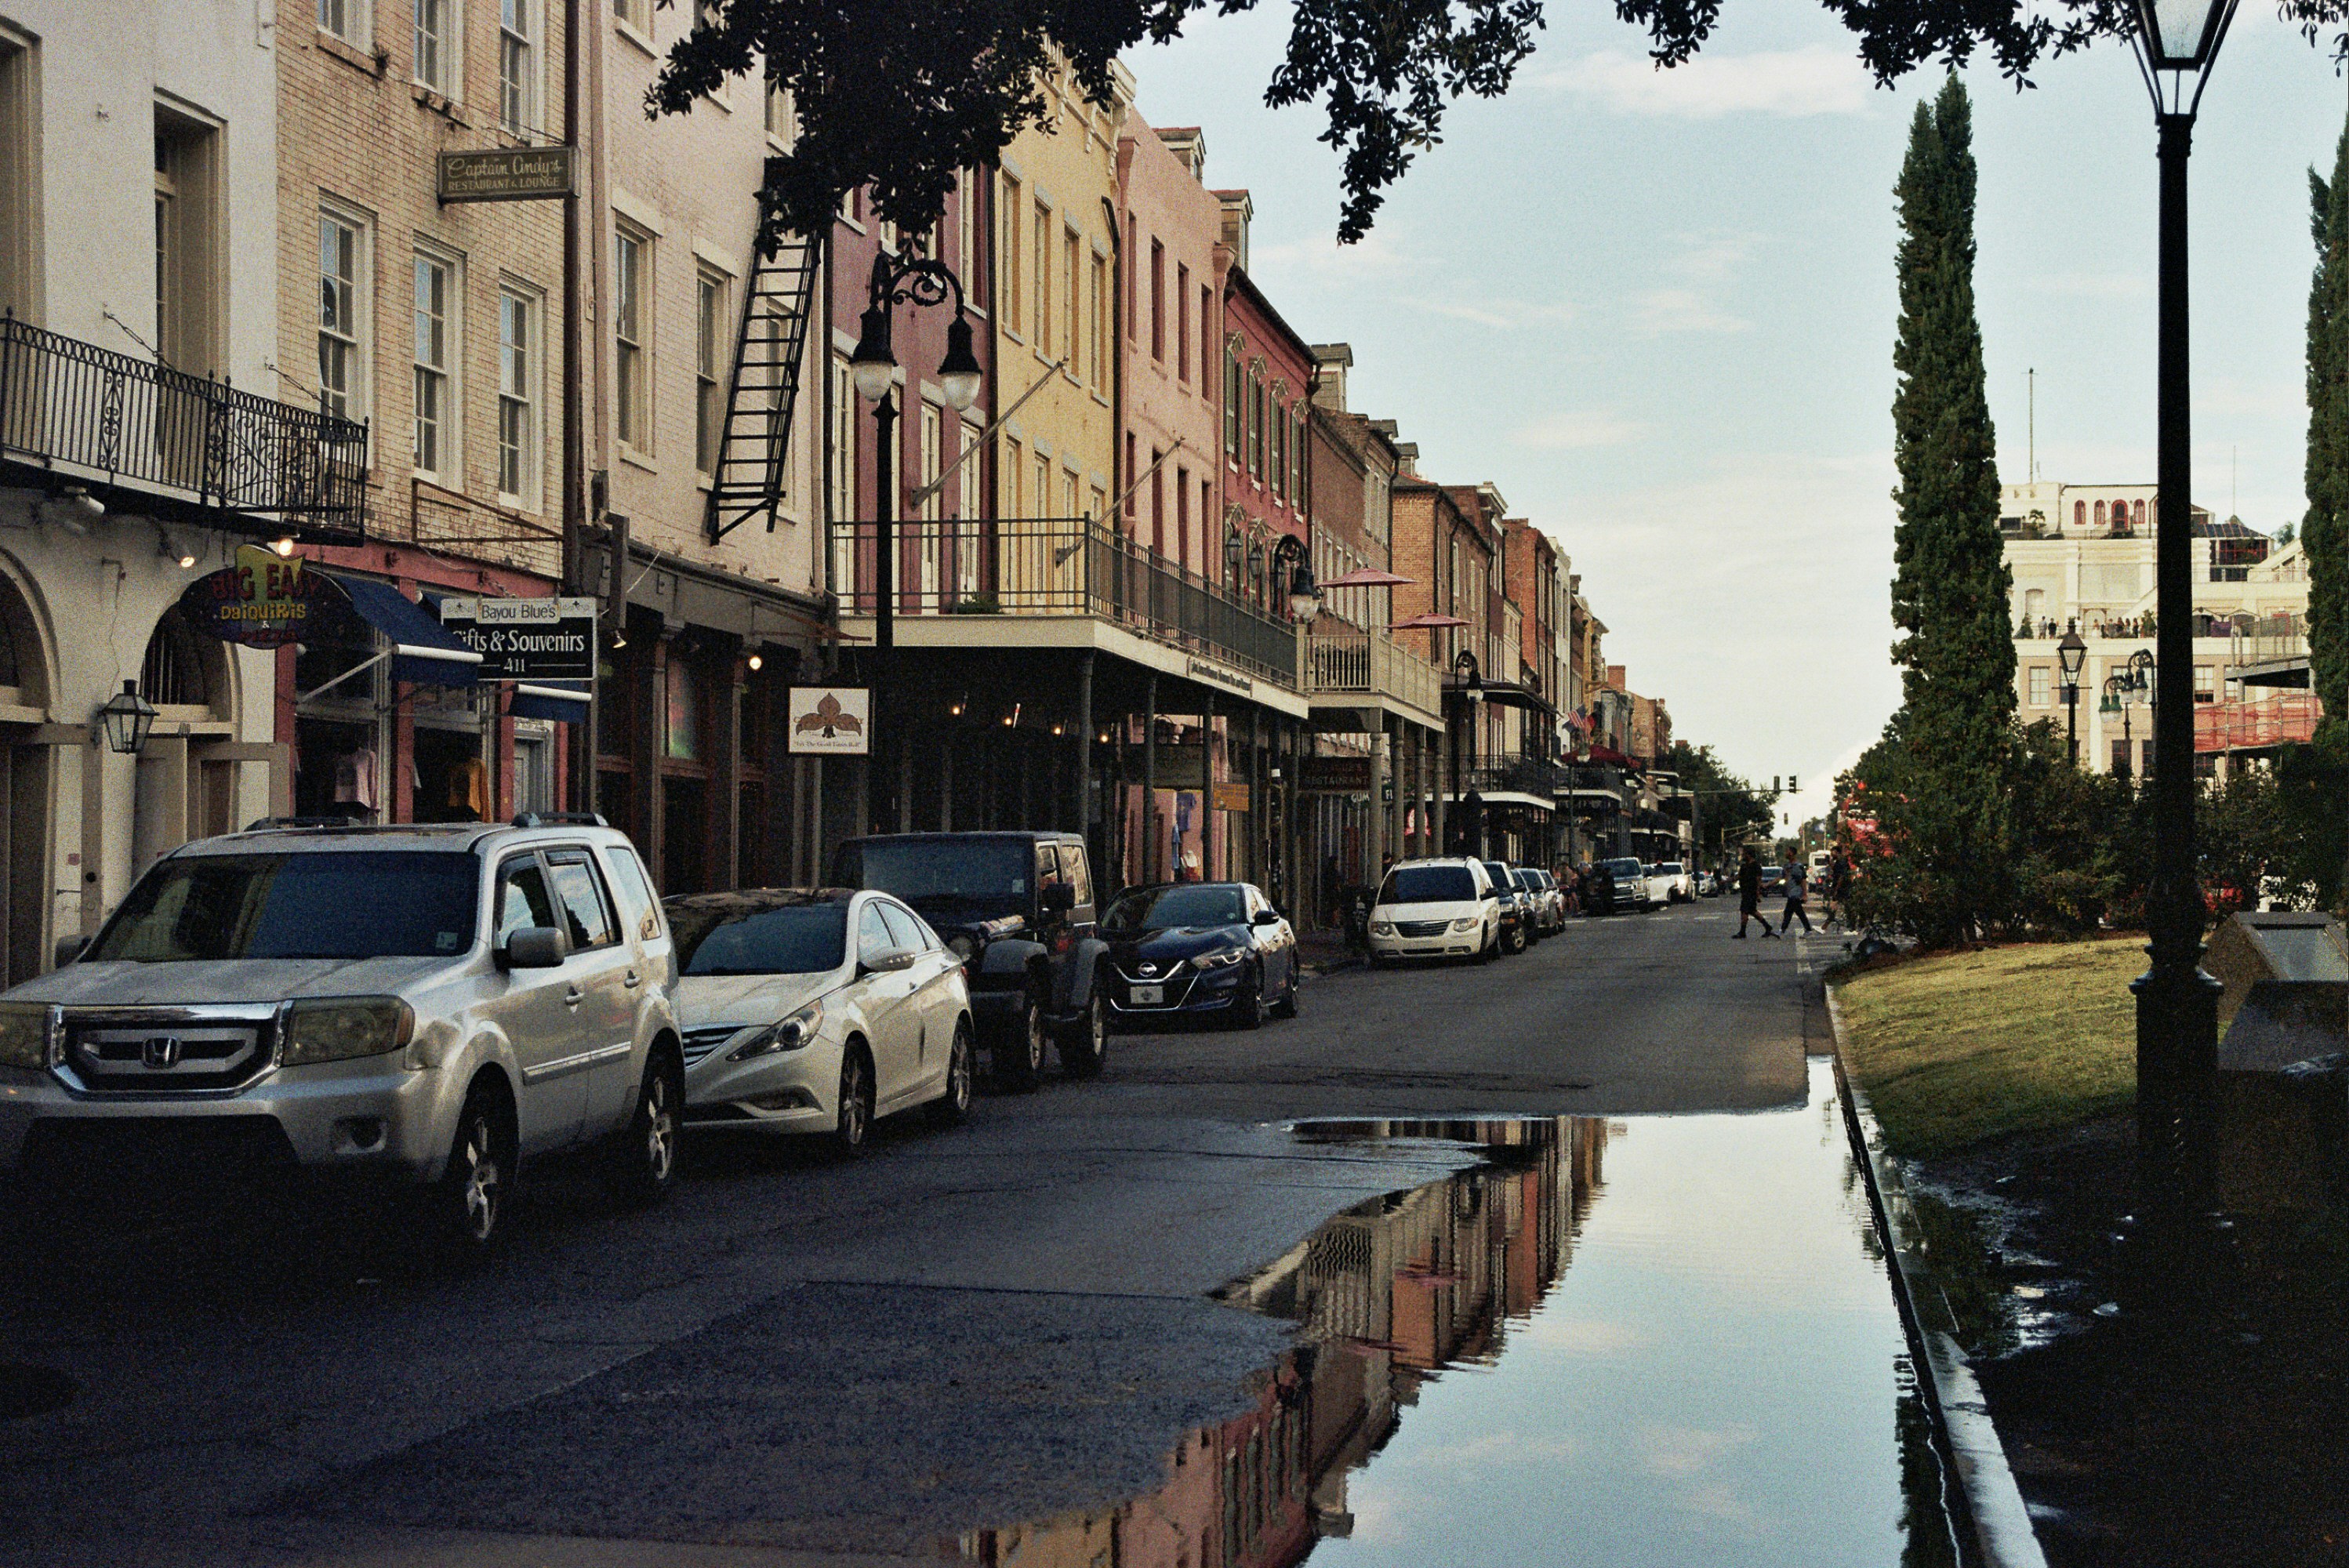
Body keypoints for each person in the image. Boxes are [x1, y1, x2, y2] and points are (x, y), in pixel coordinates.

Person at [1734, 846, 1777, 938]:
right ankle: (1767, 927)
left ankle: (1742, 932)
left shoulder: (1756, 866)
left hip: (1751, 892)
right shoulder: (1744, 866)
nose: (1743, 856)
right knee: (1752, 911)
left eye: (1745, 854)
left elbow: (1758, 881)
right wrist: (1727, 881)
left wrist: (1758, 894)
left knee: (1745, 911)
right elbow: (1738, 876)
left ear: (1749, 855)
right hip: (1745, 891)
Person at [1780, 860, 1813, 935]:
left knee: (1797, 912)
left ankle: (1808, 929)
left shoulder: (1798, 867)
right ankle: (1783, 929)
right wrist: (1768, 884)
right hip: (1791, 893)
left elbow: (1803, 880)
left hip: (1796, 893)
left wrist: (1805, 894)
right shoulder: (1787, 866)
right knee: (1790, 912)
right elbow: (1780, 878)